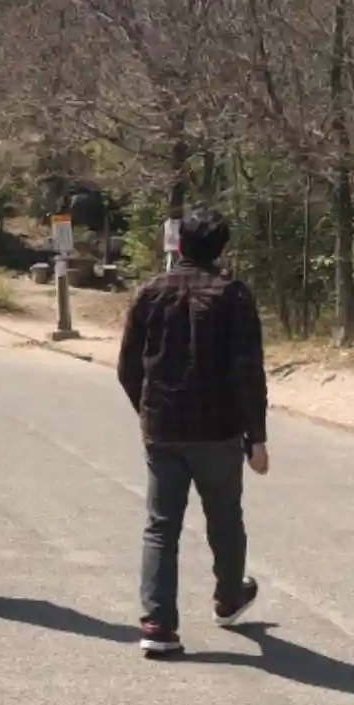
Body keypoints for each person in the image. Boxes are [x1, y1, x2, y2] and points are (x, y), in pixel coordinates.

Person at [117, 207, 268, 657]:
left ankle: (157, 622)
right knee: (224, 518)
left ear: (179, 244)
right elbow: (247, 371)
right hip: (218, 429)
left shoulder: (150, 292)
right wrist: (256, 436)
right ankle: (229, 595)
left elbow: (128, 366)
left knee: (161, 527)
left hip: (163, 428)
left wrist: (148, 411)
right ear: (221, 249)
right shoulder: (233, 295)